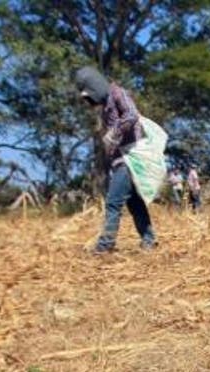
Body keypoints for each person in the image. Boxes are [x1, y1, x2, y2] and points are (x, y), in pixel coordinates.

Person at [74, 66, 157, 253]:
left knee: (113, 201)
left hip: (130, 159)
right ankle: (149, 241)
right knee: (135, 203)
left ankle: (105, 245)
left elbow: (132, 115)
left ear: (95, 86)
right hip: (121, 160)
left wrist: (114, 131)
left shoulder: (118, 93)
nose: (89, 100)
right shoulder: (105, 107)